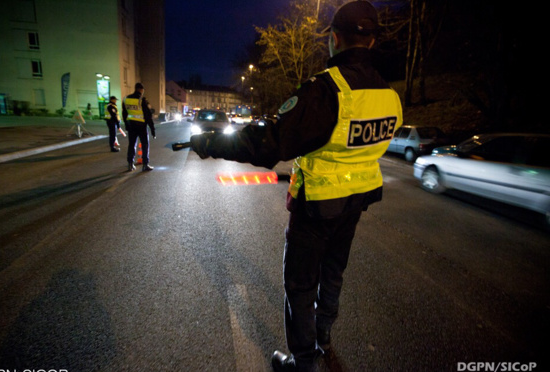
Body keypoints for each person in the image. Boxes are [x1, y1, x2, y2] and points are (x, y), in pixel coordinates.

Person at [190, 1, 403, 371]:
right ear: (370, 42)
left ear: (335, 39)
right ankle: (323, 340)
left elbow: (270, 142)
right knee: (333, 275)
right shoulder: (389, 95)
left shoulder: (326, 92)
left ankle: (304, 362)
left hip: (317, 206)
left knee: (300, 287)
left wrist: (211, 143)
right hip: (355, 204)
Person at [122, 82, 156, 171]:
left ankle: (130, 164)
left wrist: (126, 124)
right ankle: (145, 164)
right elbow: (148, 116)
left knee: (132, 145)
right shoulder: (141, 100)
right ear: (141, 90)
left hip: (131, 125)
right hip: (141, 126)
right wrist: (152, 129)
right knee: (145, 145)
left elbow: (124, 113)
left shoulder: (126, 99)